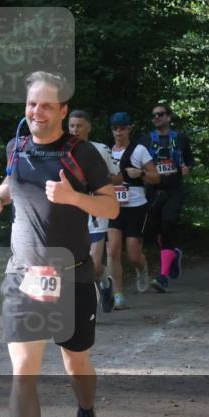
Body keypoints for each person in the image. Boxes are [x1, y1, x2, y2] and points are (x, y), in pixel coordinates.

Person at [0, 71, 118, 417]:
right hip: (24, 275)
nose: (35, 112)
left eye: (45, 105)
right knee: (24, 371)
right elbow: (13, 179)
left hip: (72, 275)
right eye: (30, 104)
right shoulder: (16, 145)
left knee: (77, 366)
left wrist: (75, 197)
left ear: (61, 111)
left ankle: (86, 416)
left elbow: (110, 206)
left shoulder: (83, 155)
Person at [68, 109, 121, 312]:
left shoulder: (101, 149)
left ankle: (105, 283)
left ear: (88, 127)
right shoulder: (61, 151)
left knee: (94, 266)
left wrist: (97, 182)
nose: (74, 130)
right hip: (72, 215)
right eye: (71, 126)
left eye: (79, 126)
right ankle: (82, 309)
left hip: (96, 215)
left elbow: (118, 177)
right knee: (75, 265)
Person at [107, 112, 159, 308]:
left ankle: (142, 268)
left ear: (130, 128)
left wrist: (142, 173)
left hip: (136, 206)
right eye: (115, 128)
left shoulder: (139, 151)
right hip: (113, 206)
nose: (119, 132)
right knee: (112, 250)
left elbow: (156, 178)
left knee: (133, 254)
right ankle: (117, 294)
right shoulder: (107, 152)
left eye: (123, 128)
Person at [142, 103, 194, 293]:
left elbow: (190, 160)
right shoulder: (146, 140)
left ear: (169, 117)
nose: (157, 118)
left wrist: (187, 168)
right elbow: (136, 161)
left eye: (161, 114)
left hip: (174, 189)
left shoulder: (180, 138)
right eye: (154, 115)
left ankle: (163, 277)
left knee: (168, 224)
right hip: (154, 192)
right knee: (156, 231)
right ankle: (173, 254)